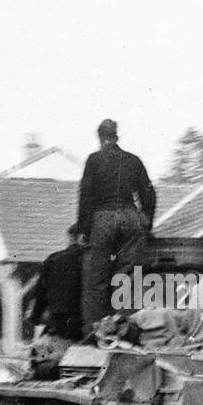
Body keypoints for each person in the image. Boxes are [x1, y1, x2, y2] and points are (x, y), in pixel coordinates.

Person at [77, 118, 156, 334]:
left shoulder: (94, 160)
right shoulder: (133, 160)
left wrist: (83, 230)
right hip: (130, 217)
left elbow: (86, 197)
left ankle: (94, 333)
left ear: (100, 138)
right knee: (128, 278)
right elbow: (149, 194)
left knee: (96, 279)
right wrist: (146, 221)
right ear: (116, 137)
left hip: (103, 217)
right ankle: (126, 330)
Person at [32, 224, 85, 342]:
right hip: (86, 325)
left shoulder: (53, 259)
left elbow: (40, 293)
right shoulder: (96, 260)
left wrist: (35, 317)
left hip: (58, 324)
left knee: (40, 356)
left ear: (71, 238)